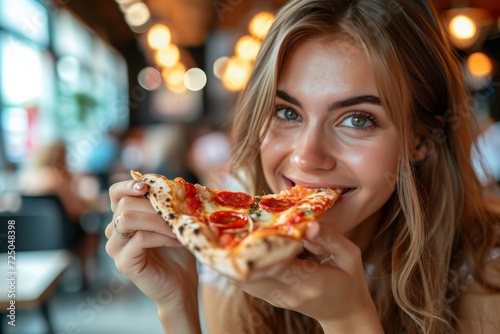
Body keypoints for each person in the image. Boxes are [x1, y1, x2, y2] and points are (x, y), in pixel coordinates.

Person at [105, 0, 500, 333]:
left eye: (358, 119)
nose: (306, 157)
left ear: (421, 140)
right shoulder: (229, 254)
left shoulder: (486, 270)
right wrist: (178, 308)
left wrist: (348, 319)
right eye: (286, 111)